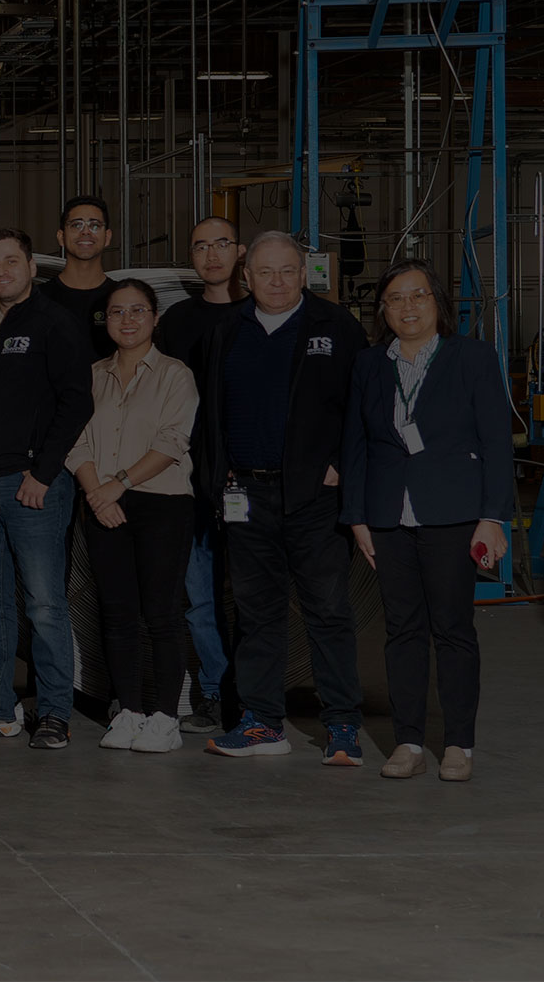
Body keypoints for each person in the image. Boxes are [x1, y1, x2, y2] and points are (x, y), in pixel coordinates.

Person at [191, 231, 368, 764]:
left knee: (328, 611)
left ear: (303, 273)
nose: (276, 281)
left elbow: (363, 409)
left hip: (315, 499)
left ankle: (341, 725)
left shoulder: (336, 328)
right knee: (257, 614)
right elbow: (209, 416)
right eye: (265, 272)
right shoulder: (226, 330)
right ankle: (262, 722)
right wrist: (216, 478)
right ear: (245, 277)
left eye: (287, 270)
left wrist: (341, 465)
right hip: (245, 493)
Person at [343, 260, 511, 783]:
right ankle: (409, 741)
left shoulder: (474, 358)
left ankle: (458, 743)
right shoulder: (369, 365)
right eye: (395, 298)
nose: (408, 306)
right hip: (388, 516)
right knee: (402, 633)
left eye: (418, 295)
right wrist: (357, 517)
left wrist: (492, 518)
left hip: (454, 514)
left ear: (438, 303)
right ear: (383, 310)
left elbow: (496, 443)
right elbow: (355, 444)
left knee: (454, 631)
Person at [0, 229, 93, 750]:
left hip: (30, 486)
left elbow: (77, 402)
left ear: (33, 266)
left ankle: (55, 711)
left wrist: (45, 473)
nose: (1, 271)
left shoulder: (56, 322)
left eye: (11, 261)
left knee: (44, 605)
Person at [66, 279, 199, 754]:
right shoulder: (92, 374)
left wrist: (115, 486)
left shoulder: (174, 374)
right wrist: (96, 494)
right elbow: (74, 438)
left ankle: (164, 716)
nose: (127, 320)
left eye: (137, 311)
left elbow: (171, 441)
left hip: (160, 503)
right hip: (102, 504)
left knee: (161, 614)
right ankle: (128, 711)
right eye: (117, 312)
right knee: (117, 613)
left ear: (155, 318)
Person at [153, 215, 245, 732]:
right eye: (200, 246)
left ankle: (252, 692)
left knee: (256, 594)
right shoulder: (179, 322)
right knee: (199, 595)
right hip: (189, 478)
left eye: (221, 244)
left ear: (241, 250)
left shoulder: (263, 314)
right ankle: (214, 693)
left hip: (253, 478)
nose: (211, 255)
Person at [37, 195, 119, 358]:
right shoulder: (38, 299)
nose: (86, 232)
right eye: (76, 225)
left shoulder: (121, 298)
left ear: (107, 237)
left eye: (95, 225)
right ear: (61, 237)